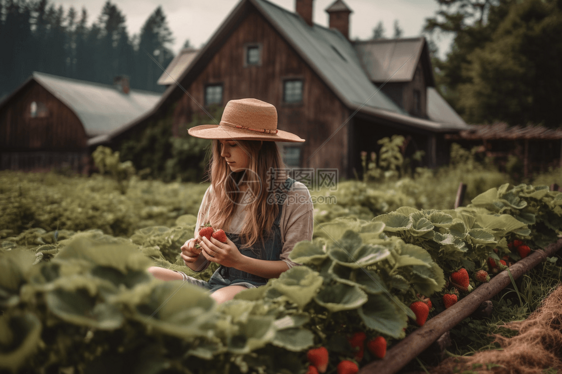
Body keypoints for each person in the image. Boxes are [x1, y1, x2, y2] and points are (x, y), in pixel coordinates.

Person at [148, 98, 314, 304]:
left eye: (232, 145)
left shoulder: (293, 195)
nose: (224, 153)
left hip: (263, 292)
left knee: (216, 302)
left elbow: (295, 268)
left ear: (258, 145)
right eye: (221, 145)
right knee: (148, 276)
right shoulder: (216, 192)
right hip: (217, 288)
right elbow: (201, 265)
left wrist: (239, 261)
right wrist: (194, 255)